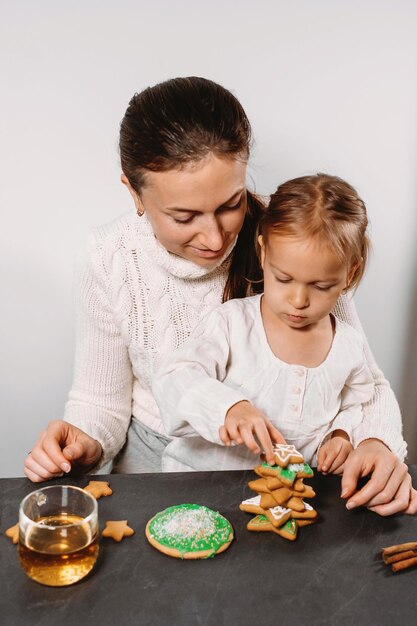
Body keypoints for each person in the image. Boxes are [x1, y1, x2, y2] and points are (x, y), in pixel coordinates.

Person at [24, 76, 416, 517]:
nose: (214, 237)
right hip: (160, 471)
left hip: (289, 476)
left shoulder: (291, 241)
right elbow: (101, 403)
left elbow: (359, 374)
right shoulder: (108, 256)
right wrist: (83, 440)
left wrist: (375, 442)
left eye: (231, 204)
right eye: (184, 216)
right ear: (133, 192)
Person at [153, 174, 378, 477]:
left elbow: (359, 405)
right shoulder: (232, 323)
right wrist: (228, 408)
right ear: (263, 252)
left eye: (321, 286)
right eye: (283, 279)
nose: (299, 300)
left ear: (349, 274)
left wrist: (341, 435)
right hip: (199, 484)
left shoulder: (349, 346)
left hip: (289, 497)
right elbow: (174, 377)